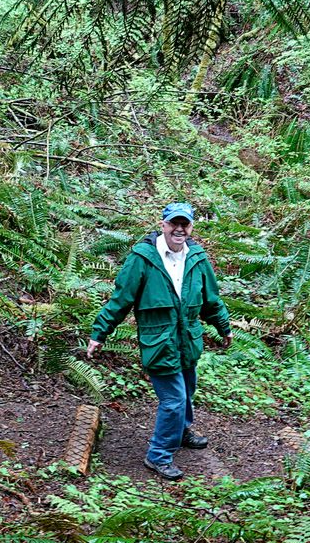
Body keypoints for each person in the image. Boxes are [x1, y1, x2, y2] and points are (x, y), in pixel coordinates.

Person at [87, 202, 231, 482]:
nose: (179, 229)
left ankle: (181, 431)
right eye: (173, 224)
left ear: (191, 227)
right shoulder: (143, 258)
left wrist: (223, 327)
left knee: (187, 389)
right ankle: (159, 454)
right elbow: (121, 300)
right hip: (159, 341)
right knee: (174, 400)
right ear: (163, 224)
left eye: (185, 224)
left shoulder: (197, 258)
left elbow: (211, 300)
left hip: (188, 339)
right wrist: (99, 333)